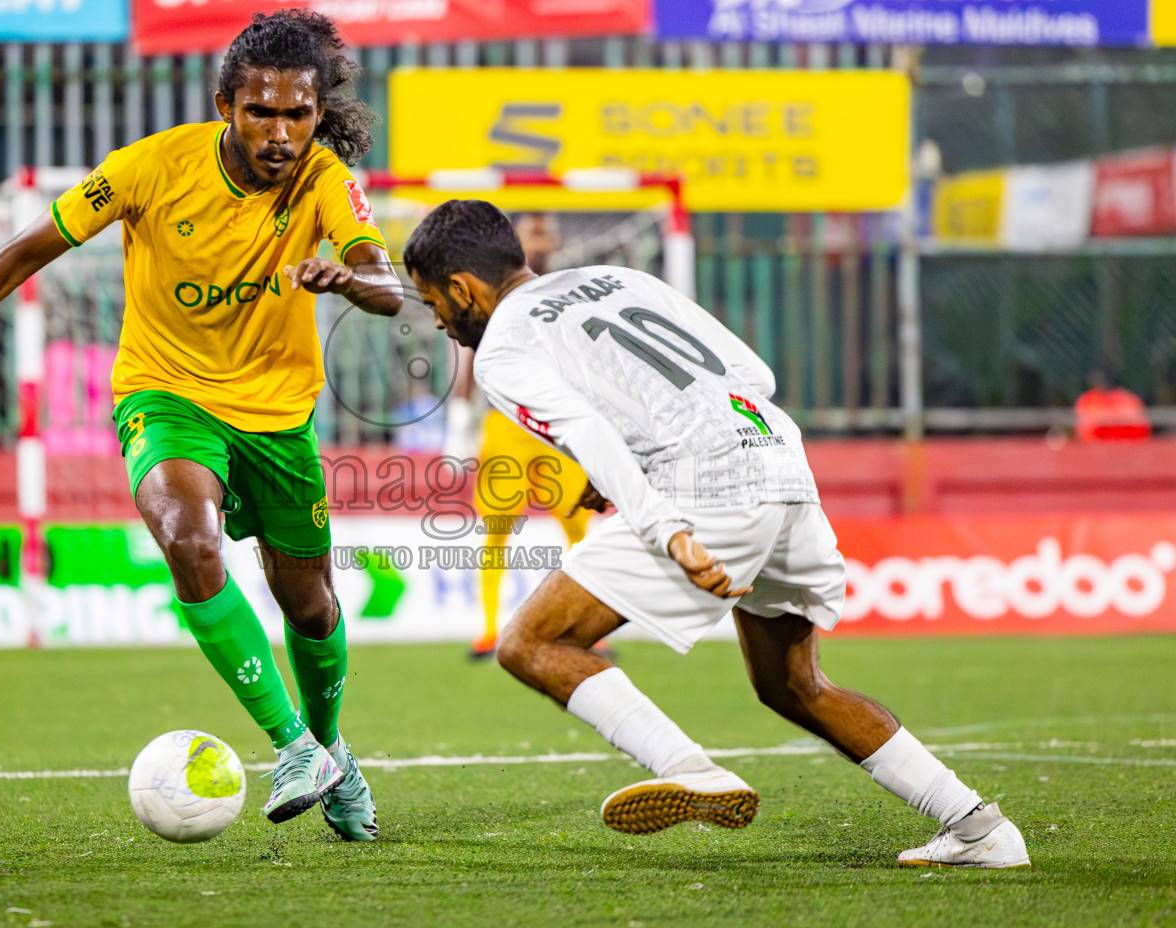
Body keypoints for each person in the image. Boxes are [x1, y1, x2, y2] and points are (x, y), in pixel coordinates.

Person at [0, 10, 402, 841]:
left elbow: (383, 280)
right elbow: (25, 252)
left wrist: (352, 281)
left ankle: (330, 750)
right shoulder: (149, 168)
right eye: (261, 112)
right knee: (188, 535)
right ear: (225, 106)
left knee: (311, 606)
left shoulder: (322, 180)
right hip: (165, 394)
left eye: (298, 114)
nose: (280, 133)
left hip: (278, 415)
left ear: (318, 115)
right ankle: (291, 745)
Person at [402, 200, 1028, 868]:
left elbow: (587, 432)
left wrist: (669, 529)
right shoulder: (622, 281)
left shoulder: (501, 348)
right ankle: (977, 827)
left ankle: (689, 768)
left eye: (432, 301)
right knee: (793, 686)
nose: (437, 319)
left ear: (464, 288)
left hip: (704, 485)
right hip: (780, 458)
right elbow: (757, 376)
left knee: (531, 641)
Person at [443, 214, 592, 659]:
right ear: (516, 239)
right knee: (496, 531)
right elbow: (470, 353)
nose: (543, 239)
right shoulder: (492, 289)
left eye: (548, 230)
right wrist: (459, 421)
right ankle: (488, 629)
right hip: (506, 421)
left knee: (580, 527)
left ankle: (588, 628)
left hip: (557, 423)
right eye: (534, 230)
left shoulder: (571, 288)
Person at [1074, 367, 1151, 441]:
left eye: (1102, 379)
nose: (1100, 383)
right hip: (1098, 444)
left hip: (1127, 443)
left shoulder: (1127, 399)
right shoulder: (1088, 400)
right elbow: (1084, 430)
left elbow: (1141, 428)